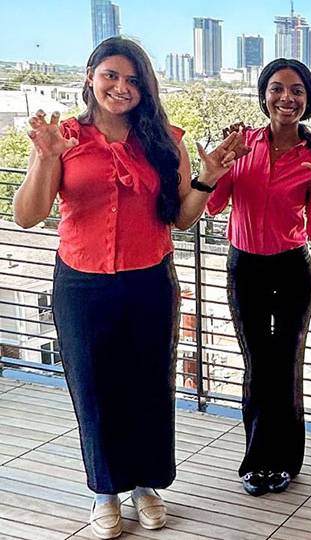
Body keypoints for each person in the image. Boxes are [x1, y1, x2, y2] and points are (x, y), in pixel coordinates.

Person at [13, 37, 242, 539]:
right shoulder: (63, 137)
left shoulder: (164, 141)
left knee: (149, 385)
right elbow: (27, 216)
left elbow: (181, 218)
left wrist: (206, 179)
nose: (122, 87)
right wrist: (47, 157)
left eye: (133, 80)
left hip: (149, 281)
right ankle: (105, 491)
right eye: (112, 75)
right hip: (82, 282)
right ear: (91, 75)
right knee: (94, 388)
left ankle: (145, 485)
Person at [205, 58, 311, 497]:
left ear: (308, 98)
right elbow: (213, 205)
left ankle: (285, 460)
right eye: (278, 88)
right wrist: (222, 163)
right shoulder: (244, 143)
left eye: (297, 90)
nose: (287, 97)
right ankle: (257, 459)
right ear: (264, 94)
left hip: (292, 267)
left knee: (285, 364)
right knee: (256, 364)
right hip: (244, 265)